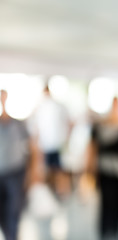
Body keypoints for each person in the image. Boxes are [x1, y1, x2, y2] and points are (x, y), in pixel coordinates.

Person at [87, 97, 118, 240]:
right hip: (105, 170)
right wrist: (89, 168)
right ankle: (106, 231)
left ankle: (115, 230)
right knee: (106, 202)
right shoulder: (100, 126)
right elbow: (92, 149)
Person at [0, 90, 40, 240]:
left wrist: (33, 171)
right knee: (3, 213)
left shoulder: (18, 124)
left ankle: (12, 237)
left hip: (15, 173)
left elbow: (32, 147)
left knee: (14, 211)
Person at [31, 85, 72, 197]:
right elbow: (36, 129)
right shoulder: (41, 107)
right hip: (47, 145)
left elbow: (69, 123)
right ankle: (53, 193)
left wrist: (66, 140)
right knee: (49, 171)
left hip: (56, 144)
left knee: (58, 170)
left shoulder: (56, 106)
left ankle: (60, 192)